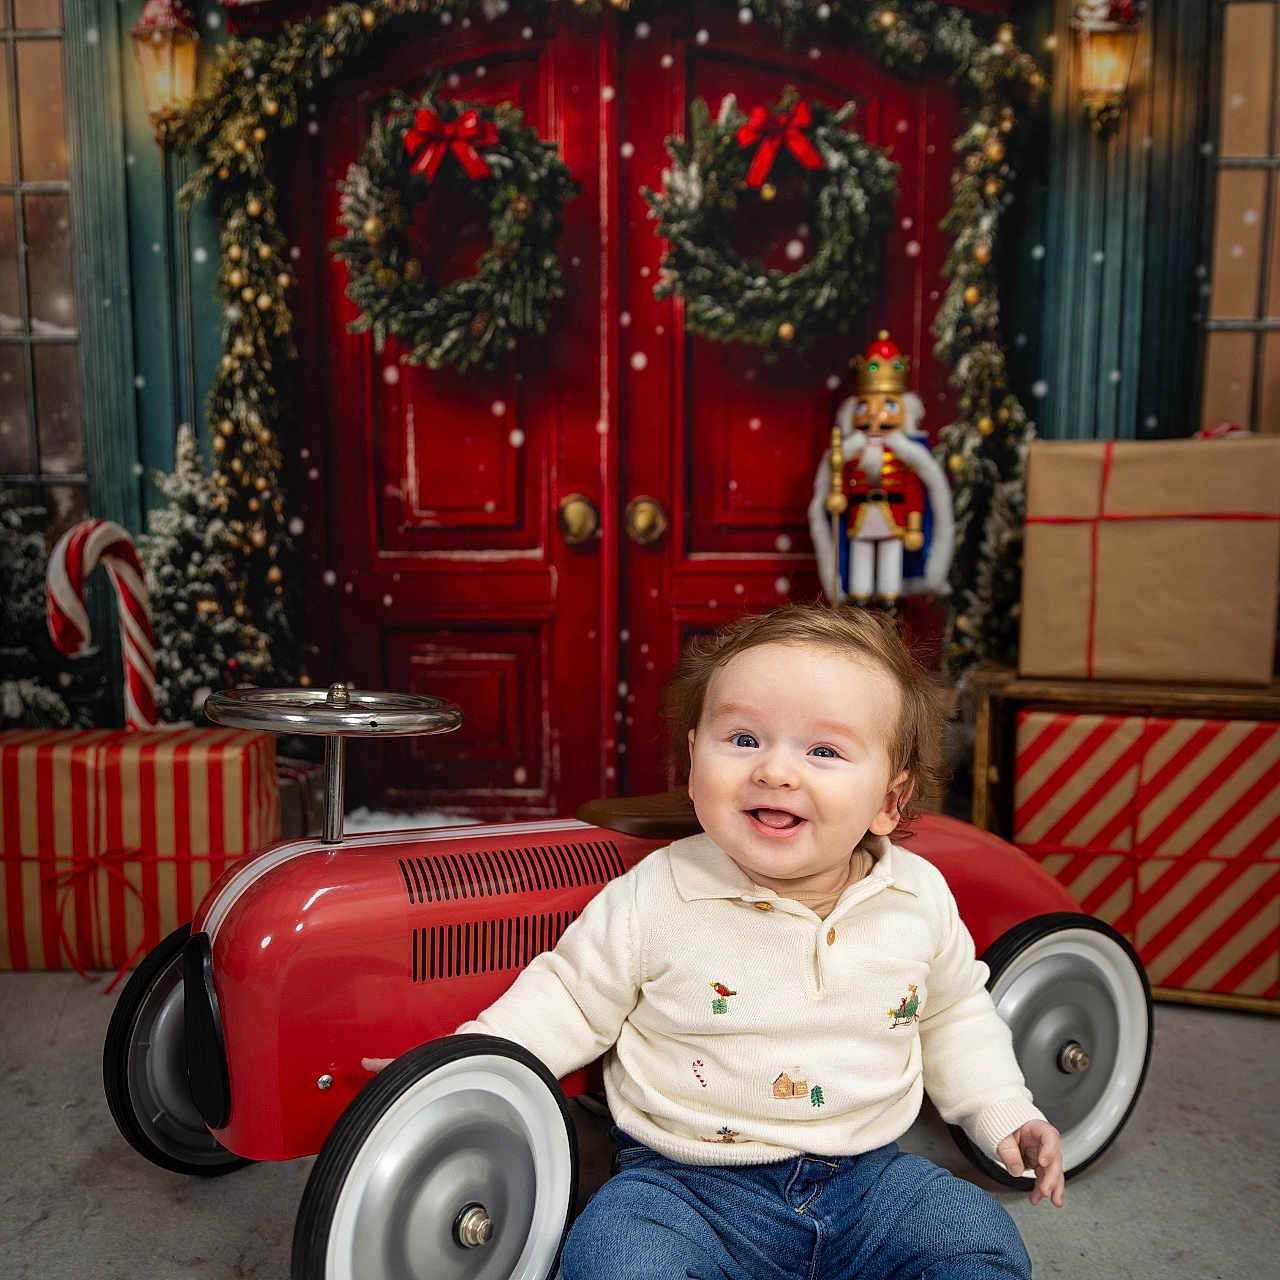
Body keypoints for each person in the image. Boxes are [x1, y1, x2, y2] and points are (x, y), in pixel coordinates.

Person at [456, 604, 1064, 1279]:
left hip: (870, 1183)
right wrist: (461, 1071)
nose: (774, 771)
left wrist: (1003, 1113)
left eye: (823, 751)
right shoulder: (658, 893)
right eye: (743, 739)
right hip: (686, 1189)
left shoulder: (914, 898)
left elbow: (953, 1014)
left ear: (890, 802)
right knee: (614, 1257)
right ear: (693, 761)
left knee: (975, 1238)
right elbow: (566, 999)